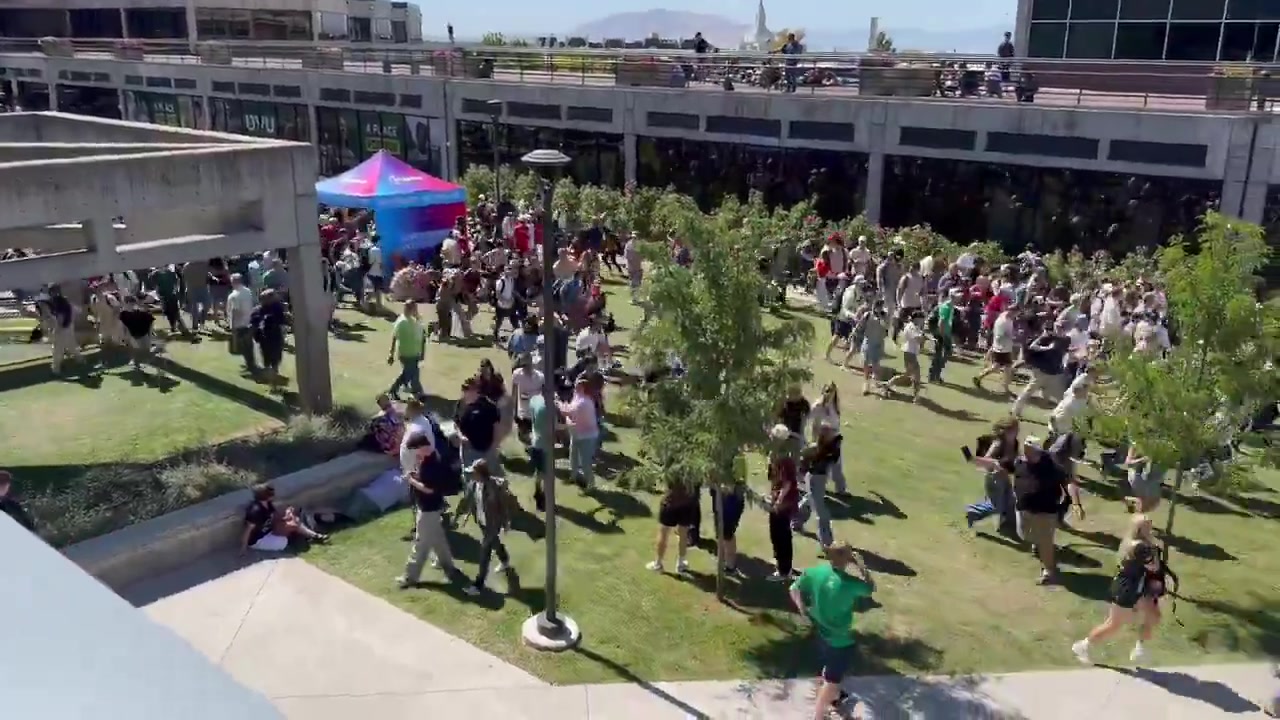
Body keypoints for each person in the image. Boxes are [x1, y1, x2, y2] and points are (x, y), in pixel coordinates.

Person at [1071, 514, 1176, 666]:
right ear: (1140, 529)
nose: (1151, 527)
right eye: (1148, 525)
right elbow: (1154, 567)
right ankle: (1083, 646)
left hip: (1136, 587)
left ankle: (1140, 649)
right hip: (1126, 589)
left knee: (1154, 615)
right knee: (1114, 624)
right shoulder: (1140, 547)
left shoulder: (1136, 542)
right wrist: (1156, 552)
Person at [789, 541, 874, 720]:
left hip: (820, 630)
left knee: (829, 666)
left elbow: (794, 588)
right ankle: (819, 715)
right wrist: (862, 567)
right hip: (841, 640)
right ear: (847, 558)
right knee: (832, 679)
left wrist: (802, 608)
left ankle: (835, 698)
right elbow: (870, 588)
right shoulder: (850, 583)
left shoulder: (815, 572)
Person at [397, 421, 462, 589]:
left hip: (428, 508)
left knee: (420, 544)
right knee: (438, 539)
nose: (415, 453)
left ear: (423, 446)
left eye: (416, 449)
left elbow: (429, 489)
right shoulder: (429, 458)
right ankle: (449, 568)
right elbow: (426, 481)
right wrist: (415, 475)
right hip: (432, 507)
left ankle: (410, 577)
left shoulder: (433, 465)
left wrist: (411, 480)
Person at [1015, 434, 1083, 585]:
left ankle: (1049, 572)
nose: (1026, 453)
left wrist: (1076, 503)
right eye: (1025, 449)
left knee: (1045, 542)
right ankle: (1039, 545)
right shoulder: (1020, 461)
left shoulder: (1052, 466)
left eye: (1029, 450)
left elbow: (1070, 483)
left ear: (1037, 451)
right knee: (1025, 535)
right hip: (1023, 508)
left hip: (1045, 511)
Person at [460, 460, 518, 596]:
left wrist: (506, 522)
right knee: (494, 542)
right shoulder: (473, 485)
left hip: (493, 524)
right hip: (482, 522)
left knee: (484, 551)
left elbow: (503, 506)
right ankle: (505, 560)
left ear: (481, 474)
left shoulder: (494, 487)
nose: (471, 475)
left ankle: (478, 585)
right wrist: (465, 515)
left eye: (473, 473)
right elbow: (471, 501)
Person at [239, 483, 326, 554]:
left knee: (294, 521)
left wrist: (287, 515)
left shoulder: (268, 504)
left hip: (269, 530)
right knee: (285, 542)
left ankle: (315, 536)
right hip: (258, 540)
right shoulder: (255, 510)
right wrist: (244, 547)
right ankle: (298, 538)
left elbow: (275, 517)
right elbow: (248, 530)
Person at [793, 422, 843, 545]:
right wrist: (800, 472)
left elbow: (833, 460)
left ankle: (796, 521)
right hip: (814, 478)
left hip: (822, 479)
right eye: (829, 432)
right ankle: (827, 542)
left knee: (809, 501)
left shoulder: (832, 448)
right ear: (824, 435)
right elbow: (802, 458)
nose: (832, 433)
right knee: (822, 512)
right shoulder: (814, 448)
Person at [766, 425, 801, 580]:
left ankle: (784, 571)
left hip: (784, 502)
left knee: (781, 534)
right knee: (776, 533)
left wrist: (779, 500)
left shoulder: (784, 459)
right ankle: (781, 566)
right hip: (778, 499)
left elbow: (787, 484)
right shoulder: (775, 455)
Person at [557, 376, 600, 489]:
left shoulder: (584, 402)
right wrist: (563, 403)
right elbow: (570, 407)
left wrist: (559, 403)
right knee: (573, 456)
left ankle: (591, 485)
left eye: (577, 386)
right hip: (576, 433)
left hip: (586, 437)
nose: (574, 387)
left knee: (585, 462)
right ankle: (574, 476)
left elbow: (567, 412)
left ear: (582, 388)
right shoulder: (578, 398)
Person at [456, 376, 503, 470]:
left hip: (485, 450)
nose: (464, 393)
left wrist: (495, 447)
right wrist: (461, 436)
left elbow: (497, 428)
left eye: (467, 390)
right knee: (469, 477)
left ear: (476, 390)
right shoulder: (461, 404)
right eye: (463, 390)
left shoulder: (489, 406)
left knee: (485, 478)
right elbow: (456, 423)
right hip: (468, 450)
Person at [808, 383, 846, 494]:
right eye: (827, 390)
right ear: (823, 391)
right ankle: (817, 488)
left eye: (832, 391)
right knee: (821, 466)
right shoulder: (818, 406)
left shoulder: (835, 405)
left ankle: (841, 489)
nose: (829, 393)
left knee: (837, 466)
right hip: (823, 440)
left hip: (834, 439)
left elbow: (836, 422)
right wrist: (815, 440)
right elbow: (812, 422)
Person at [388, 301, 427, 399]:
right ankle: (416, 393)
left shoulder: (417, 321)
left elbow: (422, 337)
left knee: (411, 374)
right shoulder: (401, 322)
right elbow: (394, 337)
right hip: (406, 353)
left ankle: (415, 392)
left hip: (415, 353)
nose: (415, 311)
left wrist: (422, 352)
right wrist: (391, 354)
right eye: (414, 309)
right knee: (409, 374)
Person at [250, 289, 289, 385]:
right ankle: (271, 376)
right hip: (267, 337)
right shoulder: (259, 310)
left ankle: (272, 375)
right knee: (270, 358)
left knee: (273, 358)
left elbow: (283, 321)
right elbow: (254, 324)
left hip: (274, 336)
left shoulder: (277, 308)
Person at [226, 273, 257, 372]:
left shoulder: (234, 295)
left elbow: (235, 311)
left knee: (243, 346)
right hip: (249, 321)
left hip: (239, 323)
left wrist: (233, 326)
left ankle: (250, 366)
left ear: (233, 282)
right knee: (249, 345)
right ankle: (251, 364)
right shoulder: (248, 291)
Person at [117, 295, 155, 370]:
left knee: (145, 351)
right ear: (125, 303)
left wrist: (150, 335)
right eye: (129, 304)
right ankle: (136, 363)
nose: (131, 306)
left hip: (143, 334)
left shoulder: (141, 313)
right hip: (133, 335)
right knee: (137, 350)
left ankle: (141, 362)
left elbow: (151, 322)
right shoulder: (123, 314)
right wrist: (123, 337)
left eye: (132, 304)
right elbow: (122, 326)